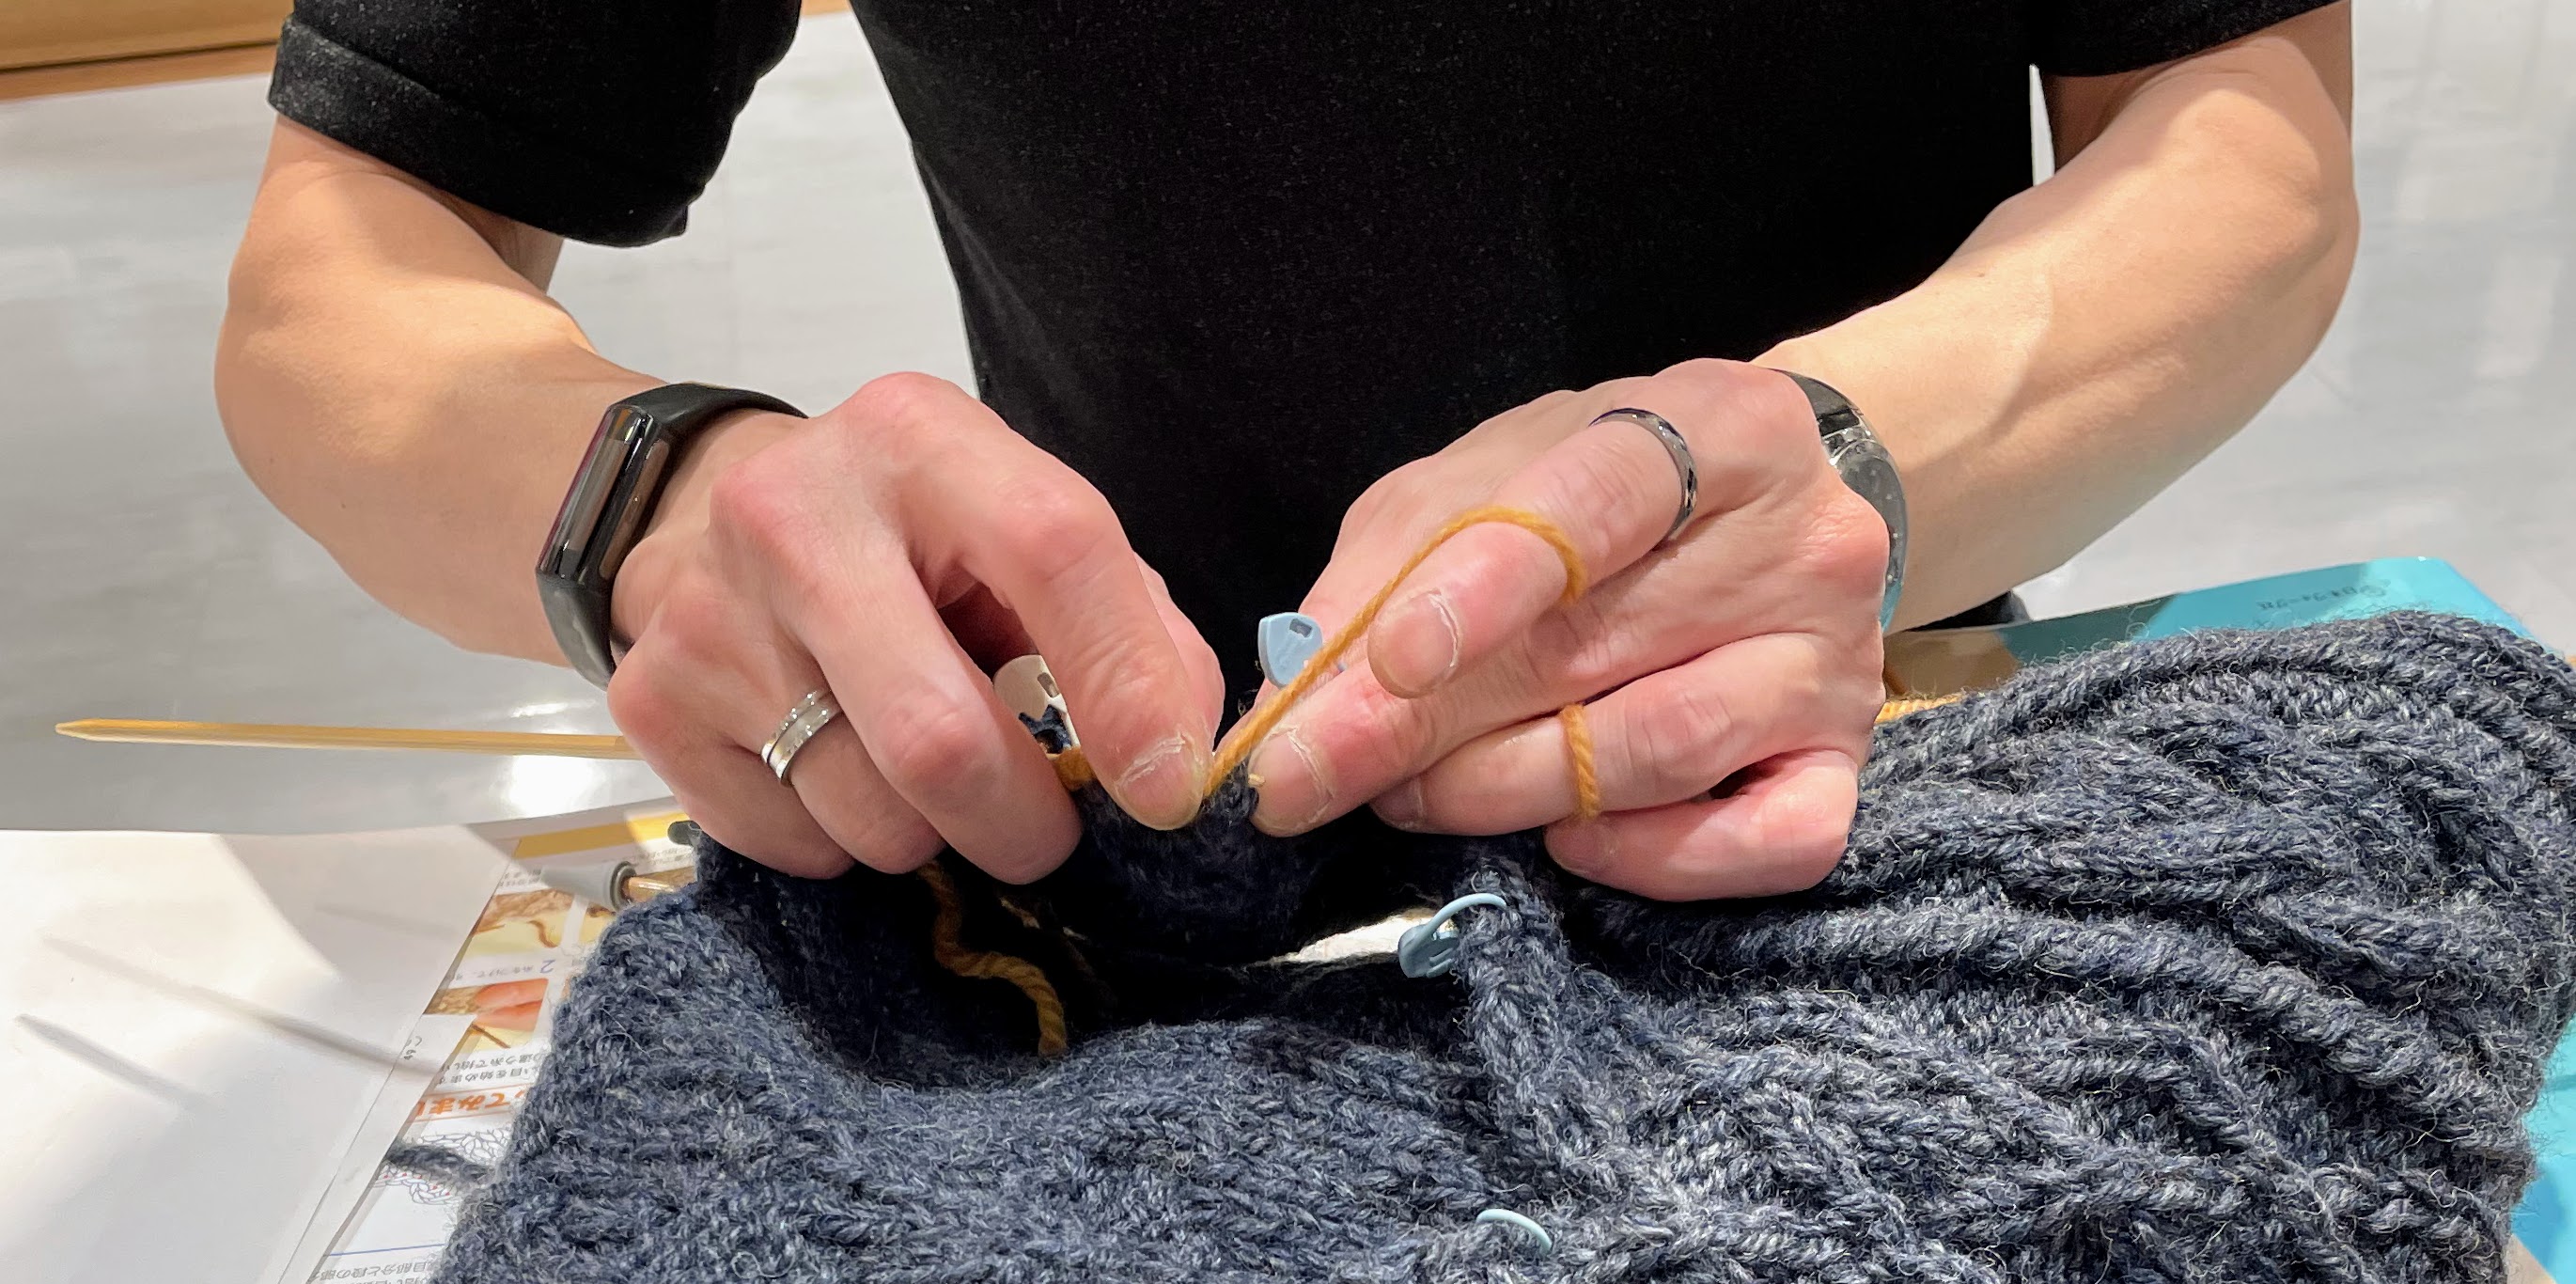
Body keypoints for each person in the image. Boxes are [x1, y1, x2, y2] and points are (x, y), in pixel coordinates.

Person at [217, 3, 2355, 903]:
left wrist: (1841, 462)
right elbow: (342, 282)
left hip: (1834, 730)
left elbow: (2236, 139)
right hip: (1101, 820)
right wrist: (646, 504)